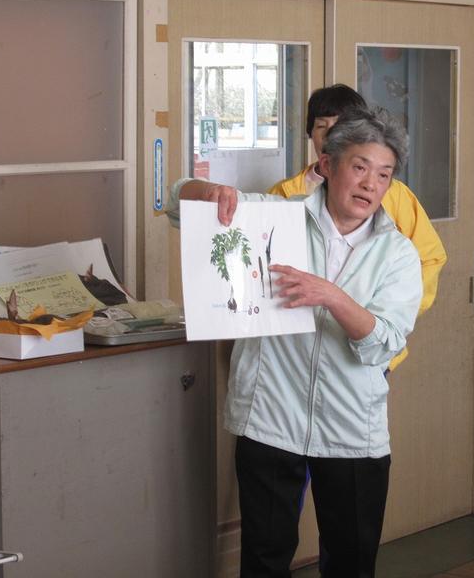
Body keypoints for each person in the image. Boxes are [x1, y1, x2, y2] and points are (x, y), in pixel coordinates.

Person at [167, 107, 422, 578]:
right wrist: (209, 192)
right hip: (269, 419)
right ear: (327, 165)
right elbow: (175, 199)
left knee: (351, 564)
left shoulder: (398, 254)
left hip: (353, 431)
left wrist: (333, 297)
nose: (370, 184)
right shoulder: (273, 218)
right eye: (360, 167)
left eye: (384, 174)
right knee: (263, 561)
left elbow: (382, 345)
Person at [269, 84, 446, 372]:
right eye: (321, 126)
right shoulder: (285, 194)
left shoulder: (393, 194)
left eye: (340, 125)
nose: (330, 133)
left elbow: (430, 258)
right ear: (310, 134)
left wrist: (388, 310)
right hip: (291, 355)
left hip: (361, 352)